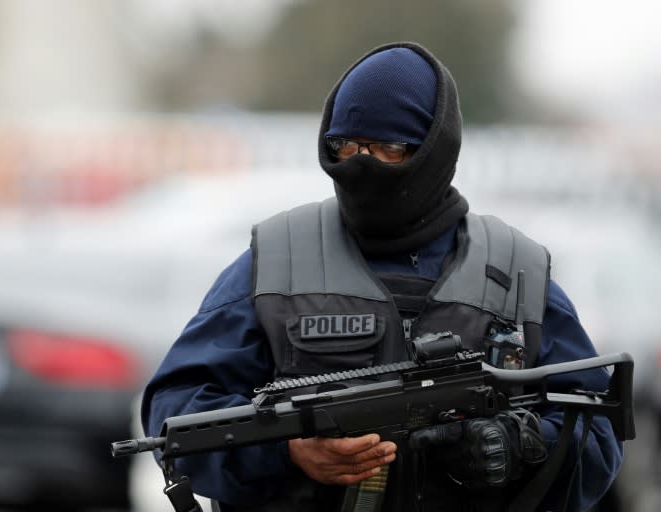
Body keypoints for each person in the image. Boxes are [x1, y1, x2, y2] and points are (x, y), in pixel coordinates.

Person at [141, 42, 623, 512]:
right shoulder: (276, 264)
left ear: (433, 150)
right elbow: (175, 412)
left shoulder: (518, 273)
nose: (359, 163)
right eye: (343, 146)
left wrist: (519, 445)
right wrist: (286, 452)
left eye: (386, 148)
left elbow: (598, 435)